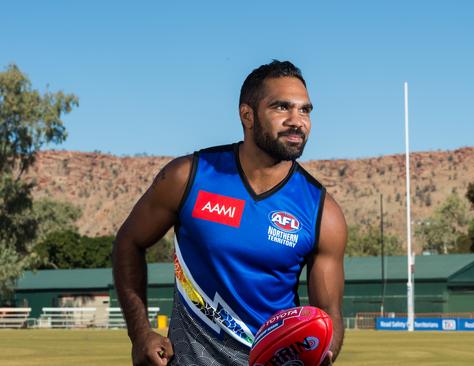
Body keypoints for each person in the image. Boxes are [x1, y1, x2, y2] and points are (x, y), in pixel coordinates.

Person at [113, 60, 347, 366]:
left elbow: (329, 314)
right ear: (247, 115)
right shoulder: (189, 176)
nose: (297, 120)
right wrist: (140, 334)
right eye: (281, 107)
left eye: (305, 110)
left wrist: (323, 354)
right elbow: (128, 242)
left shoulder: (322, 212)